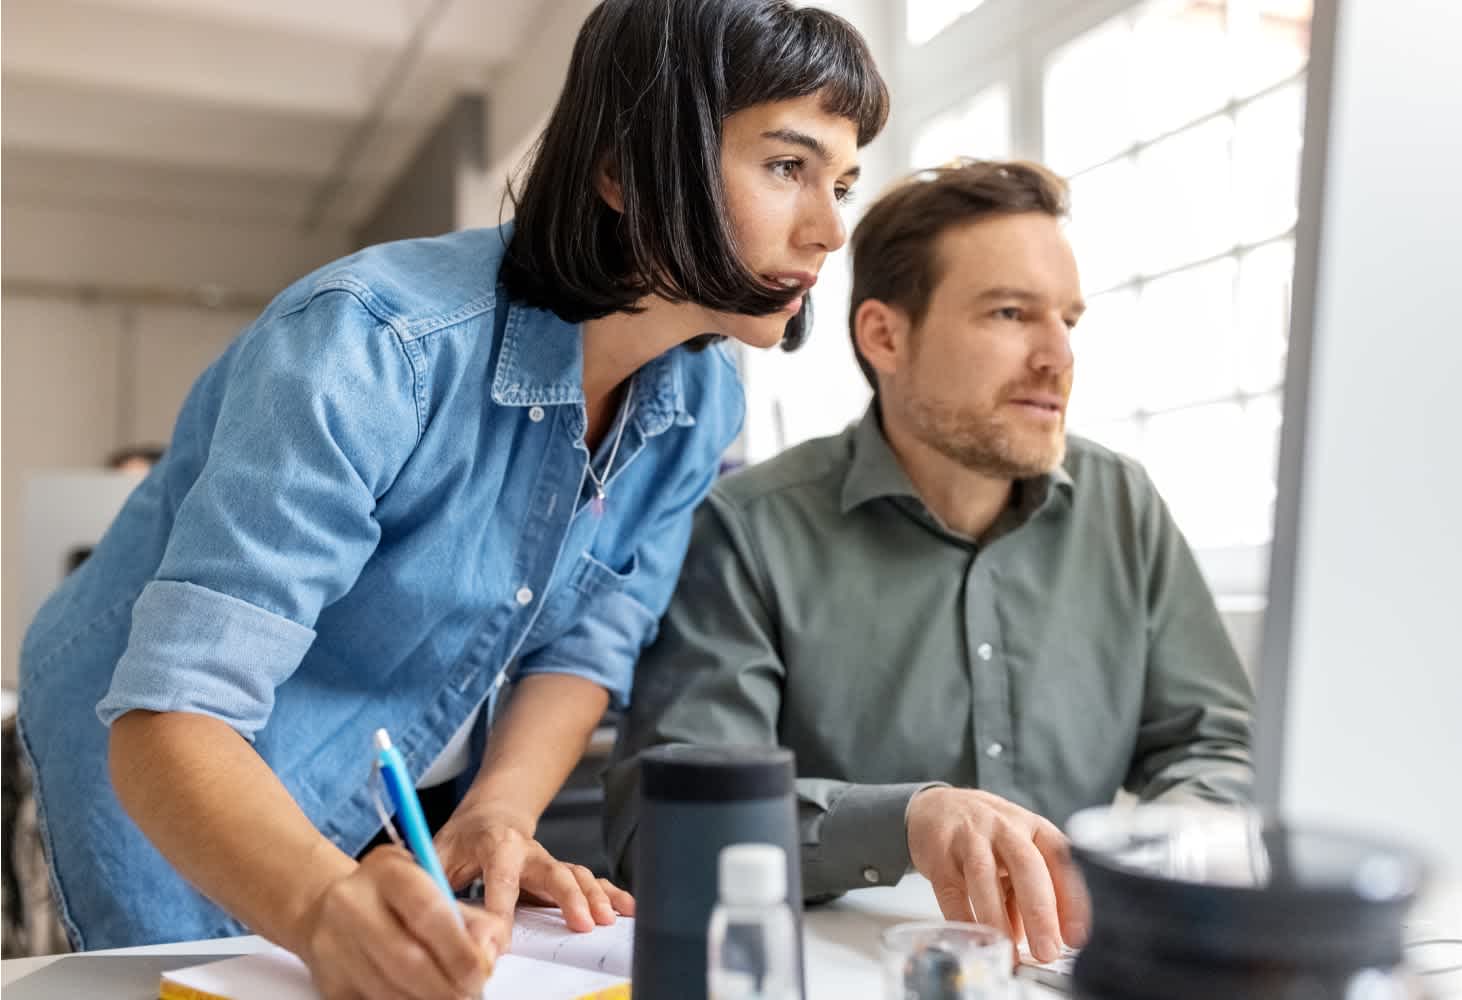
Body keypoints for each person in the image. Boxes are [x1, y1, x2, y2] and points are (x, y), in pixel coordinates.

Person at [17, 1, 887, 996]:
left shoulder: (699, 397)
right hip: (169, 763)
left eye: (844, 180)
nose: (830, 228)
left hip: (378, 757)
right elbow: (175, 714)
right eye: (788, 167)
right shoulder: (372, 346)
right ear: (624, 173)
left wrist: (501, 810)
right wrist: (314, 902)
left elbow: (589, 643)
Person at [603, 160, 1255, 965]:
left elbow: (1216, 747)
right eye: (1012, 313)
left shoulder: (1123, 505)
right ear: (886, 336)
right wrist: (903, 824)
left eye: (1070, 321)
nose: (1057, 357)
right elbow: (664, 829)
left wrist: (1162, 859)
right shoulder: (745, 530)